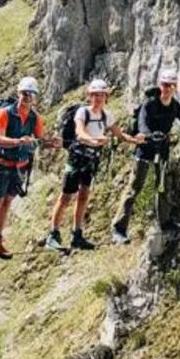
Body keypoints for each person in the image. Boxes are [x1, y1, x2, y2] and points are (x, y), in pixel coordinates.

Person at [111, 69, 180, 243]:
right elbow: (142, 123)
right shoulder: (150, 103)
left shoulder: (174, 105)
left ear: (175, 88)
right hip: (144, 149)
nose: (167, 89)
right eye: (165, 85)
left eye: (171, 86)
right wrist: (149, 134)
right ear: (160, 85)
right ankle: (118, 228)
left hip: (161, 151)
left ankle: (165, 223)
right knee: (134, 188)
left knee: (162, 187)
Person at [45, 79, 143, 251]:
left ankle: (77, 235)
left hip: (91, 161)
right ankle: (53, 235)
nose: (98, 98)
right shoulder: (83, 113)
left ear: (106, 97)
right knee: (66, 197)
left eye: (102, 95)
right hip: (76, 160)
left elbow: (119, 134)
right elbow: (80, 133)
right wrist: (96, 140)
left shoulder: (106, 115)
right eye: (95, 95)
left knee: (83, 196)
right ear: (90, 96)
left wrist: (135, 140)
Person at [0, 77, 58, 259]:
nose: (28, 97)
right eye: (25, 93)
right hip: (2, 165)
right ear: (19, 93)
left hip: (19, 167)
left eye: (31, 95)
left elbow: (40, 139)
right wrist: (19, 141)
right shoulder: (5, 113)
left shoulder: (35, 118)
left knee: (6, 203)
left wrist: (53, 142)